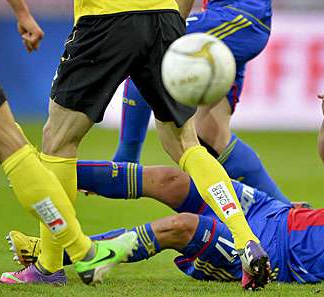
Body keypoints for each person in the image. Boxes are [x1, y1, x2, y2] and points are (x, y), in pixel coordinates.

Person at [7, 94, 324, 286]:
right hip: (274, 213)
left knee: (184, 226)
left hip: (273, 258)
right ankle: (48, 168)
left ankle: (63, 258)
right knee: (174, 180)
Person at [29, 0, 269, 290]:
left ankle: (50, 265)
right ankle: (245, 238)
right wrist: (172, 25)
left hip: (106, 18)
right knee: (186, 143)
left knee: (57, 141)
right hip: (164, 17)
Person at [0, 0, 138, 286]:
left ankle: (70, 258)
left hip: (107, 21)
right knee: (16, 149)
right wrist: (22, 13)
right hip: (159, 20)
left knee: (33, 145)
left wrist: (22, 13)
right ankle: (85, 253)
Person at [112, 0, 291, 205]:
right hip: (237, 19)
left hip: (239, 16)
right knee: (210, 133)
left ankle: (126, 161)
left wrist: (170, 26)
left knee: (149, 48)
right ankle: (286, 210)